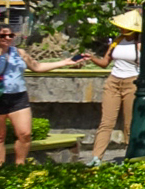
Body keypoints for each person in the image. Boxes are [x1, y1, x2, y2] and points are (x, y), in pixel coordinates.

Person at [0, 27, 89, 165]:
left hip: (18, 97)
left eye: (10, 35)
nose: (7, 38)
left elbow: (37, 66)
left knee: (25, 134)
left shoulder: (19, 52)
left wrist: (64, 63)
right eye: (3, 36)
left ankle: (19, 167)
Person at [81, 10, 143, 164]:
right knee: (106, 122)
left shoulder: (140, 44)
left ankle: (130, 157)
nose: (122, 30)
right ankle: (96, 157)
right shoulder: (117, 41)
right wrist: (92, 58)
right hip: (113, 81)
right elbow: (104, 63)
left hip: (132, 82)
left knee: (129, 122)